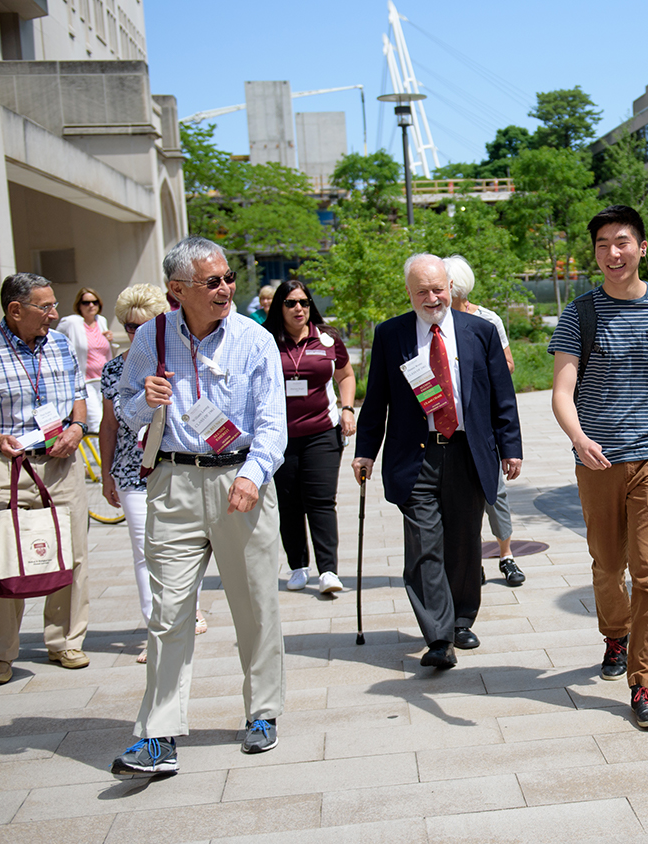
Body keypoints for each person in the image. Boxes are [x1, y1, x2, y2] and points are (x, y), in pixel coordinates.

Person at [109, 236, 288, 778]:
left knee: (256, 606)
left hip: (241, 482)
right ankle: (158, 734)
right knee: (167, 613)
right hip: (173, 482)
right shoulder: (151, 336)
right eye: (213, 282)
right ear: (177, 289)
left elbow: (272, 425)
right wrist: (147, 399)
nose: (226, 288)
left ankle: (262, 712)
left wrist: (254, 476)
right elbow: (125, 408)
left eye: (229, 277)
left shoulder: (254, 339)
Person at [548, 205, 648, 731]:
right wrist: (578, 437)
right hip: (598, 460)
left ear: (640, 247)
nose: (612, 254)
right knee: (607, 565)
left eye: (622, 242)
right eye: (602, 245)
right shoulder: (579, 314)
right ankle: (615, 632)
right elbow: (562, 391)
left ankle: (644, 685)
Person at [351, 253, 522, 669]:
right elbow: (377, 401)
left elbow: (502, 394)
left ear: (451, 288)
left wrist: (511, 447)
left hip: (467, 452)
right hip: (416, 454)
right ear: (409, 293)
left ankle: (462, 619)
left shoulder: (479, 331)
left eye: (438, 289)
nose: (432, 298)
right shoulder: (391, 335)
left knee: (464, 543)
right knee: (425, 545)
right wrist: (365, 452)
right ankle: (439, 636)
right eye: (422, 291)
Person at [0, 273, 91, 686]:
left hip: (58, 462)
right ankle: (0, 654)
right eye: (45, 306)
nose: (54, 314)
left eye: (54, 305)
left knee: (72, 554)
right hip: (6, 465)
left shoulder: (60, 344)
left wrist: (77, 429)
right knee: (3, 559)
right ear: (16, 310)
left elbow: (78, 397)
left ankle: (65, 641)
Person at [98, 284, 206, 665]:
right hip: (131, 468)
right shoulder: (113, 369)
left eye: (143, 325)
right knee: (145, 552)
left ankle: (186, 609)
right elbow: (108, 425)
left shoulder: (177, 358)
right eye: (129, 326)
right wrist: (106, 473)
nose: (135, 332)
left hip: (174, 464)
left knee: (182, 548)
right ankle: (156, 629)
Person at [264, 279, 356, 595]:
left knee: (320, 501)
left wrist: (347, 409)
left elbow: (345, 374)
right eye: (291, 303)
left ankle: (328, 570)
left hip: (322, 431)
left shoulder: (327, 338)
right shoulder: (266, 340)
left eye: (303, 302)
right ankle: (298, 566)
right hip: (280, 435)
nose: (299, 308)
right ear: (280, 307)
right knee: (289, 503)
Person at [443, 254, 524, 588]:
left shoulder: (488, 320)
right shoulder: (437, 322)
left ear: (457, 287)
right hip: (450, 423)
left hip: (485, 421)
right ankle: (470, 560)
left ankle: (506, 555)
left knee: (495, 493)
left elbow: (509, 365)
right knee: (459, 497)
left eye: (444, 285)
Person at [56, 286, 114, 433]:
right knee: (95, 420)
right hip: (85, 381)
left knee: (109, 419)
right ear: (79, 305)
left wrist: (110, 341)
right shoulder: (71, 322)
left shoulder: (101, 321)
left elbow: (104, 352)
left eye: (94, 302)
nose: (91, 306)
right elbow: (55, 341)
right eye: (86, 303)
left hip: (103, 380)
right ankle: (94, 456)